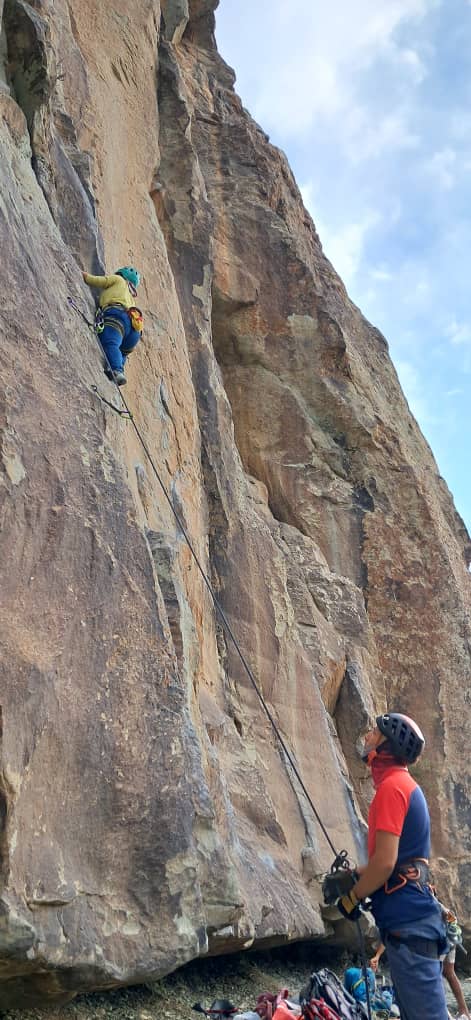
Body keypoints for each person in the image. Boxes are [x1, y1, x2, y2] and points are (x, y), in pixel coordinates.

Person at [334, 711, 449, 1020]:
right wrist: (354, 875)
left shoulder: (392, 788)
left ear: (388, 745)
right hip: (412, 925)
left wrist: (352, 897)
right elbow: (396, 862)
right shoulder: (401, 785)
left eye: (375, 733)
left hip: (410, 926)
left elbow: (384, 864)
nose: (368, 736)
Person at [83, 266, 143, 385]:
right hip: (134, 330)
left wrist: (85, 276)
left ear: (121, 274)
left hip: (118, 316)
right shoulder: (131, 297)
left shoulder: (118, 279)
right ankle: (117, 369)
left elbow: (101, 281)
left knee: (111, 342)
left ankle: (116, 370)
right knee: (122, 351)